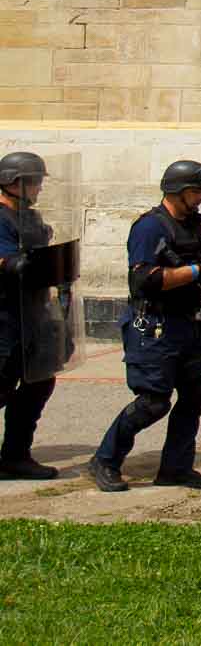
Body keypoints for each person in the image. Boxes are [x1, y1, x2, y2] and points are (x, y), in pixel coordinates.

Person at [88, 160, 201, 491]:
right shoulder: (150, 227)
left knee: (196, 392)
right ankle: (105, 460)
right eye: (196, 191)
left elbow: (199, 269)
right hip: (154, 324)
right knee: (153, 402)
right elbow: (144, 280)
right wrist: (194, 273)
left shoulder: (190, 225)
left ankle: (176, 468)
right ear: (176, 192)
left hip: (187, 323)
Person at [0, 152, 59, 479]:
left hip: (32, 314)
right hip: (4, 317)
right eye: (32, 182)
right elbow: (6, 261)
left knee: (39, 381)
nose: (38, 188)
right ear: (12, 183)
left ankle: (15, 455)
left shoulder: (30, 219)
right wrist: (13, 263)